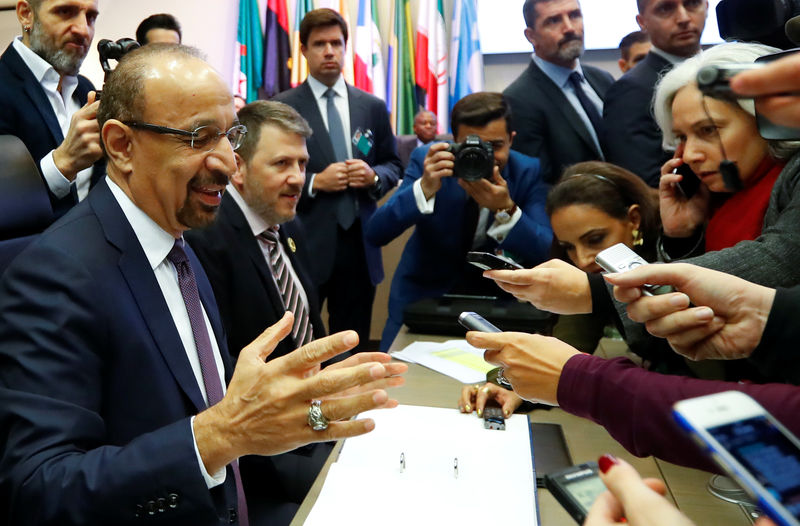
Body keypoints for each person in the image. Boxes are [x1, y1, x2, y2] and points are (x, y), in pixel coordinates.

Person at [0, 43, 406, 526]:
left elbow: (204, 399)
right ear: (121, 146)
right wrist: (219, 435)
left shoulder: (179, 243)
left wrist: (294, 406)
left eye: (230, 136)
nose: (229, 163)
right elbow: (37, 488)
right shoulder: (55, 274)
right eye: (197, 138)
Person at [365, 92, 552, 350]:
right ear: (453, 141)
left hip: (496, 306)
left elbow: (547, 251)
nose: (484, 156)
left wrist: (507, 210)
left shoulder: (526, 170)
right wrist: (425, 188)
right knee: (396, 379)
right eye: (472, 145)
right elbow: (376, 233)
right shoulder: (427, 161)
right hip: (421, 299)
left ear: (511, 139)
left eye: (495, 146)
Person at [273, 8, 402, 351]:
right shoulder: (282, 108)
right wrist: (314, 182)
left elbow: (393, 164)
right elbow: (268, 173)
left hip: (360, 243)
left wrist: (375, 176)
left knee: (354, 342)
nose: (329, 51)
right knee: (304, 342)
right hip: (305, 241)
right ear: (304, 50)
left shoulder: (371, 106)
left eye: (336, 43)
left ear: (346, 47)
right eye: (319, 44)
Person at [653, 43, 800, 260]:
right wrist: (680, 235)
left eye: (708, 130)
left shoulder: (793, 178)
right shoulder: (714, 197)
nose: (688, 155)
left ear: (769, 117)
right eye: (682, 137)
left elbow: (776, 263)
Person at [0, 0, 105, 220]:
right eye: (65, 12)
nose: (83, 30)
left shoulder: (84, 88)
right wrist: (62, 164)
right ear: (26, 14)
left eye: (91, 17)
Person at [503, 0, 615, 185]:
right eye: (554, 21)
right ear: (531, 36)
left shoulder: (603, 79)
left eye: (574, 15)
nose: (570, 28)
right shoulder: (517, 100)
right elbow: (538, 184)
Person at [603, 0, 708, 187]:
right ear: (642, 22)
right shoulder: (630, 90)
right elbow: (641, 183)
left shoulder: (725, 69)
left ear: (707, 6)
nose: (683, 18)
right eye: (666, 8)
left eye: (692, 3)